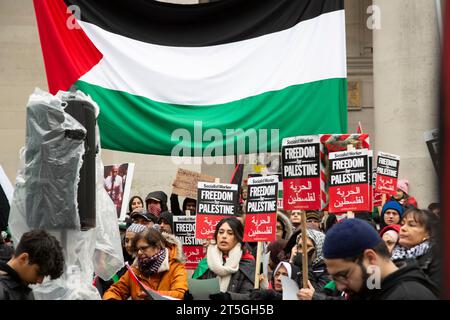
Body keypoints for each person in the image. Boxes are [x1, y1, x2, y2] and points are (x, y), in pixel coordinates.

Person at [322, 219, 438, 300]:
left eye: (343, 275)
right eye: (333, 278)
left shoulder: (409, 296)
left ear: (370, 258)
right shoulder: (373, 288)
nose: (339, 287)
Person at [103, 228, 187, 300]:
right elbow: (115, 291)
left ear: (157, 247)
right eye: (137, 249)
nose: (139, 252)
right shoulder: (135, 269)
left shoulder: (175, 267)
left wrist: (154, 295)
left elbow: (180, 295)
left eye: (144, 248)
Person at [191, 217, 255, 300]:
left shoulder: (248, 263)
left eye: (230, 233)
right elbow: (197, 290)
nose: (224, 236)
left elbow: (250, 297)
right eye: (220, 232)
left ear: (239, 237)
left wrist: (228, 297)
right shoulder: (207, 262)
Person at [0, 230, 65, 300]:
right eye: (39, 273)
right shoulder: (3, 291)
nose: (40, 281)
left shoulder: (21, 286)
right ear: (23, 258)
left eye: (44, 275)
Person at [391, 208, 441, 289]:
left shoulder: (438, 258)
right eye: (402, 224)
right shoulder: (393, 254)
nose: (403, 228)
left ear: (428, 233)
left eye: (411, 225)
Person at [95, 223, 148, 297]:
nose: (129, 244)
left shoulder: (146, 263)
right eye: (126, 240)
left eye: (133, 240)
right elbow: (114, 282)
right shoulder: (117, 259)